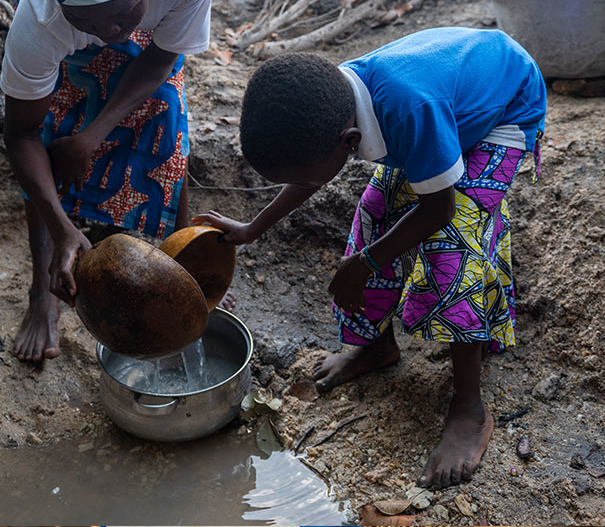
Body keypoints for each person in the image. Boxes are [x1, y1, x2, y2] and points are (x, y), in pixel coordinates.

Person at [194, 27, 547, 488]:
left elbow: (437, 209)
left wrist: (365, 264)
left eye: (304, 173)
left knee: (454, 245)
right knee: (376, 211)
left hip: (502, 109)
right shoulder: (335, 102)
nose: (303, 181)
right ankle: (377, 345)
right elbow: (309, 176)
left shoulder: (408, 108)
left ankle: (469, 408)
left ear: (350, 140)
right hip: (445, 109)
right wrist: (252, 229)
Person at [1, 0, 217, 362]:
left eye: (123, 15)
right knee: (57, 121)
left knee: (166, 110)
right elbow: (21, 135)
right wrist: (61, 227)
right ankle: (42, 293)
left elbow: (162, 56)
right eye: (88, 23)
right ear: (62, 9)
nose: (111, 35)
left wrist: (97, 134)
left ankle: (182, 269)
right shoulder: (39, 20)